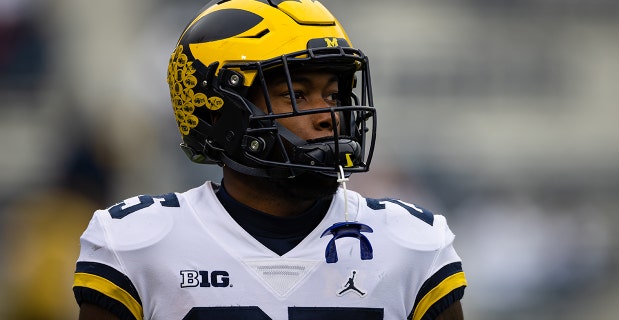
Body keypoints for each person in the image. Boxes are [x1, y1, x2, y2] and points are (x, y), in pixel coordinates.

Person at [72, 0, 467, 319]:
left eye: (333, 95)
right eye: (295, 93)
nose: (328, 115)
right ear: (222, 111)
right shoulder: (137, 243)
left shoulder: (411, 244)